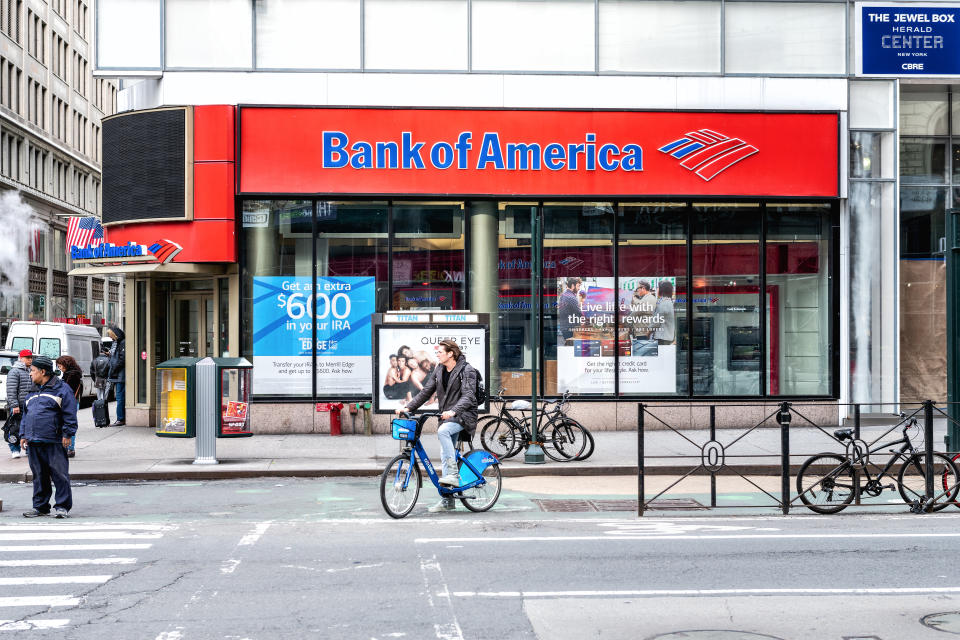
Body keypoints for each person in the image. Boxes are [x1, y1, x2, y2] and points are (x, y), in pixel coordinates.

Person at [396, 339, 478, 513]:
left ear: (451, 354)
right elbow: (426, 391)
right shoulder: (439, 369)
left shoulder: (467, 370)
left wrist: (454, 411)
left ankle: (454, 475)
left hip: (463, 416)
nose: (438, 354)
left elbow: (469, 396)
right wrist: (408, 407)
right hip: (448, 417)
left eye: (441, 351)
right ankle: (448, 501)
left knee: (443, 432)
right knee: (444, 453)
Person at [19, 355, 77, 518]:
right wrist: (23, 434)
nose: (30, 374)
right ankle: (40, 506)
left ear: (43, 372)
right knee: (39, 475)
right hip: (34, 440)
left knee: (59, 474)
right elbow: (26, 414)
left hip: (54, 439)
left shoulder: (62, 389)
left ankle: (62, 506)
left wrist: (68, 434)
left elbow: (70, 413)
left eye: (33, 371)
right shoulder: (33, 389)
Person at [5, 349, 35, 460]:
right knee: (14, 428)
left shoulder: (30, 370)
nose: (30, 359)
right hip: (18, 406)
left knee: (28, 427)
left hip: (29, 405)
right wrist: (14, 405)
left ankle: (28, 448)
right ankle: (14, 449)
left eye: (31, 357)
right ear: (21, 358)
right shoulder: (15, 371)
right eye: (28, 358)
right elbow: (11, 390)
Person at [56, 355, 83, 458]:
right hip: (73, 402)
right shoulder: (75, 373)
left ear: (66, 364)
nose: (59, 368)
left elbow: (66, 390)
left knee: (68, 425)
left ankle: (70, 448)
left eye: (60, 366)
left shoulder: (71, 375)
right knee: (69, 424)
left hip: (69, 403)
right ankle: (69, 448)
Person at [107, 324, 126, 426]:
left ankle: (120, 418)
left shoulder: (122, 343)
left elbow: (121, 360)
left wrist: (114, 369)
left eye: (111, 335)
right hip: (119, 375)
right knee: (120, 397)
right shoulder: (119, 343)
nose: (110, 337)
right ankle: (121, 417)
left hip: (120, 375)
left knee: (120, 397)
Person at [557, 277, 584, 343]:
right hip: (570, 329)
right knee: (572, 347)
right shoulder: (571, 297)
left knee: (568, 346)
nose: (579, 288)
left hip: (565, 327)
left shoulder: (564, 295)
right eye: (578, 286)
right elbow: (579, 312)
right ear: (572, 286)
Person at [652, 281, 676, 346]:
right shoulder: (668, 301)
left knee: (662, 355)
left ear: (662, 289)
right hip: (667, 336)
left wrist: (648, 331)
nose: (656, 289)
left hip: (662, 337)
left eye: (657, 287)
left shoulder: (664, 303)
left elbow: (656, 321)